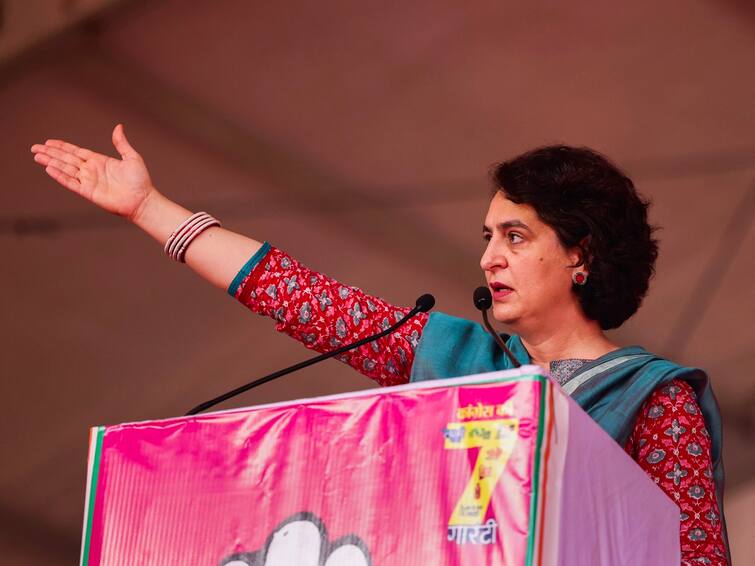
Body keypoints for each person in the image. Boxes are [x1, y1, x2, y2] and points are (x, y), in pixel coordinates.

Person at [31, 125, 729, 565]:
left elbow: (694, 557)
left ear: (581, 255)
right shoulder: (453, 361)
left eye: (514, 237)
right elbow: (306, 300)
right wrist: (150, 208)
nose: (489, 258)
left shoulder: (652, 401)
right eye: (486, 237)